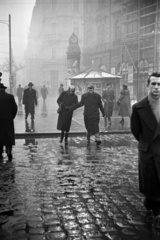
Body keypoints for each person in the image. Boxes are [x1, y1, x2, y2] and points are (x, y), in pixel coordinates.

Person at [131, 72, 160, 228]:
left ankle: (151, 204)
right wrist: (146, 144)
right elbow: (136, 130)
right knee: (151, 183)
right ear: (148, 85)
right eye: (153, 84)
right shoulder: (138, 107)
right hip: (148, 151)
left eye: (159, 84)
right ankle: (156, 212)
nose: (156, 87)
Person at [0, 72, 17, 160]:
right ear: (4, 89)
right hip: (8, 120)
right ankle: (9, 151)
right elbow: (15, 109)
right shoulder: (10, 97)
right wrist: (10, 117)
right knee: (8, 137)